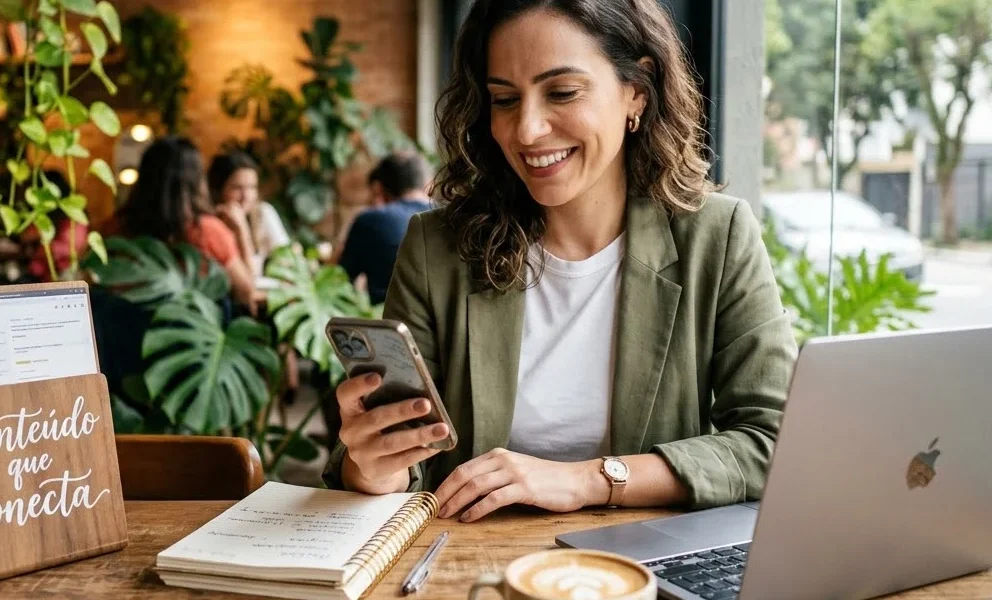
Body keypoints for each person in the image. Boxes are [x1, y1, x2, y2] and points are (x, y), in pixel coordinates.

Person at [322, 0, 798, 523]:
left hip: (641, 561)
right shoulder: (437, 249)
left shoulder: (717, 237)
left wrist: (588, 480)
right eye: (505, 99)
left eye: (562, 92)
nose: (526, 130)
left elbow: (775, 440)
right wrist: (375, 469)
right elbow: (399, 459)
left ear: (636, 90)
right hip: (469, 555)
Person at [103, 136, 257, 314]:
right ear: (197, 181)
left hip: (126, 328)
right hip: (193, 330)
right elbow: (246, 293)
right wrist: (242, 231)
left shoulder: (114, 228)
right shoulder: (208, 231)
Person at [334, 152, 434, 304]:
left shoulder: (370, 220)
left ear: (378, 188)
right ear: (430, 183)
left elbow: (339, 282)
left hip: (387, 316)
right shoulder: (452, 217)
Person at [207, 151, 291, 276]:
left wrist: (242, 228)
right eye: (237, 188)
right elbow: (248, 278)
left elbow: (288, 259)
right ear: (218, 190)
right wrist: (241, 229)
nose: (246, 196)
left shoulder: (262, 213)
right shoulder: (210, 223)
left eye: (252, 187)